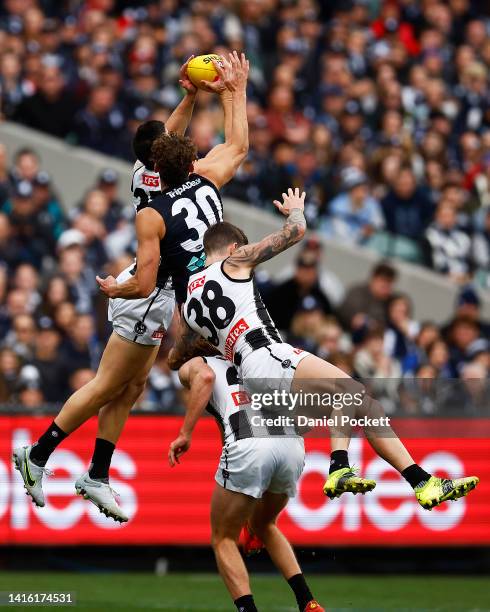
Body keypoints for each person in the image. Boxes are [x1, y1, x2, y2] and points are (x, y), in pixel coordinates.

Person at [14, 52, 250, 521]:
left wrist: (190, 96)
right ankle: (37, 455)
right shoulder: (194, 184)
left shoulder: (149, 174)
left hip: (154, 294)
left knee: (133, 386)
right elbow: (223, 146)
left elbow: (167, 139)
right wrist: (229, 93)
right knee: (108, 386)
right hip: (148, 293)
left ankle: (96, 474)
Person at [172, 188, 478, 511]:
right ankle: (339, 468)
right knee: (351, 391)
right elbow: (296, 231)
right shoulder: (235, 260)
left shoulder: (189, 304)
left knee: (363, 404)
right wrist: (295, 210)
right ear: (234, 247)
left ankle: (421, 482)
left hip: (253, 377)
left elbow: (177, 355)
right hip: (270, 357)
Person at [168, 354, 324, 612]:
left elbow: (206, 378)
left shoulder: (200, 362)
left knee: (223, 538)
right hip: (291, 442)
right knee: (265, 524)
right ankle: (308, 601)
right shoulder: (260, 353)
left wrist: (185, 433)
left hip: (248, 438)